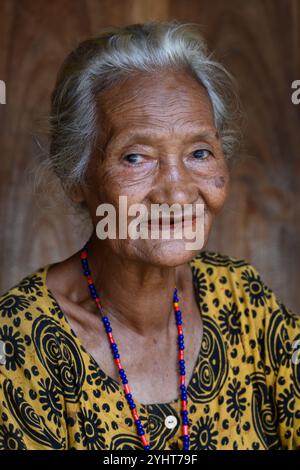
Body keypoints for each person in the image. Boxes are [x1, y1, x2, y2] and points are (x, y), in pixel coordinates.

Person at [0, 21, 299, 451]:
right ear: (77, 177)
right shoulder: (20, 345)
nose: (177, 192)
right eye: (136, 157)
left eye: (200, 152)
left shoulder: (242, 299)